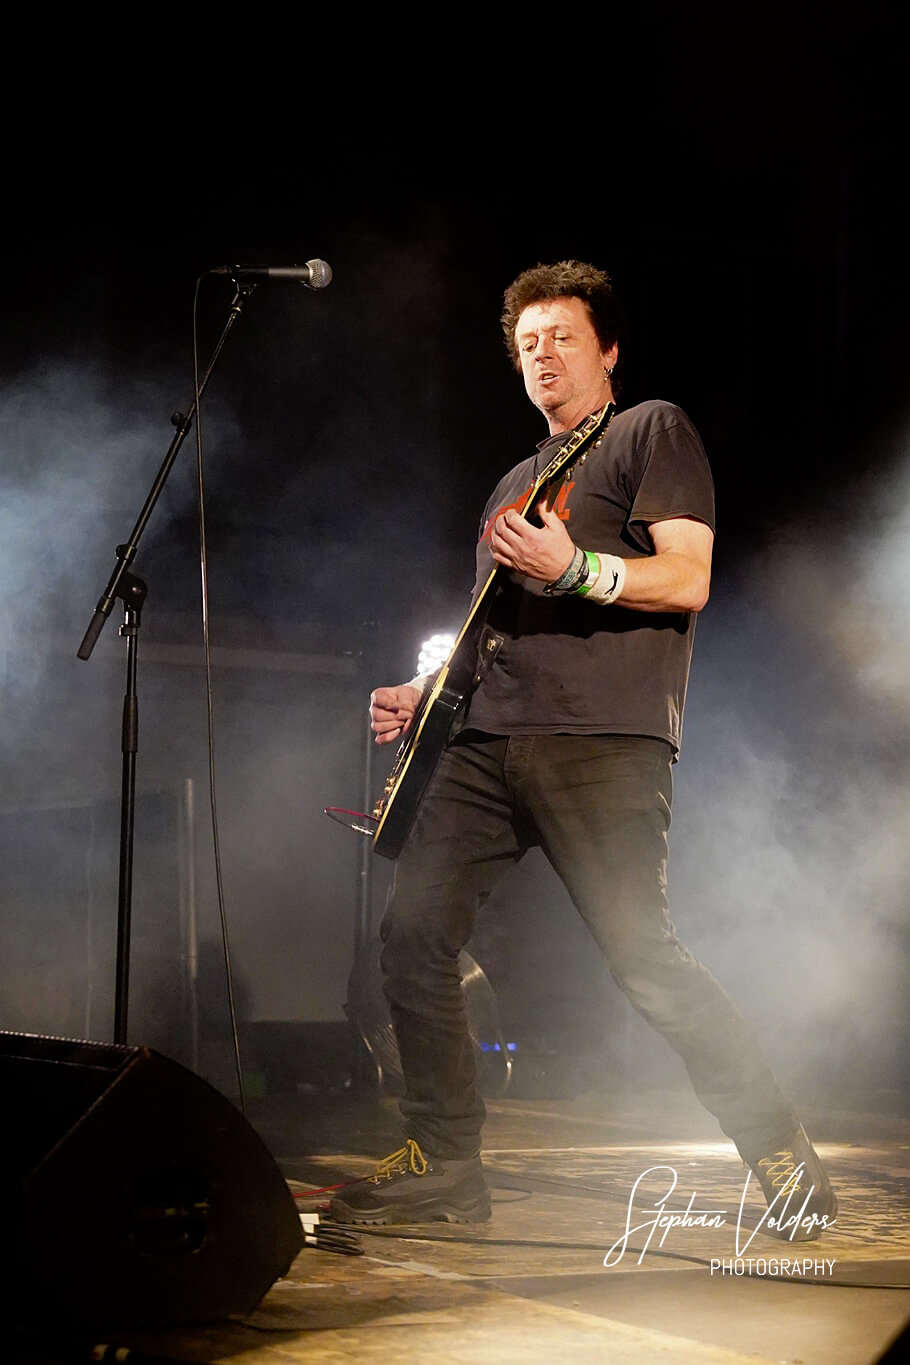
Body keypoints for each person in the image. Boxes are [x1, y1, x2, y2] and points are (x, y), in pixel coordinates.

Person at [329, 261, 836, 1239]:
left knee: (644, 960)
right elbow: (487, 633)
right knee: (411, 935)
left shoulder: (651, 430)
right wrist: (425, 694)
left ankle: (779, 1148)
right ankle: (445, 1161)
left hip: (604, 739)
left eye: (561, 336)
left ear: (607, 349)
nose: (542, 355)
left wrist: (578, 569)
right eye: (526, 344)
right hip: (487, 741)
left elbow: (686, 578)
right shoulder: (513, 484)